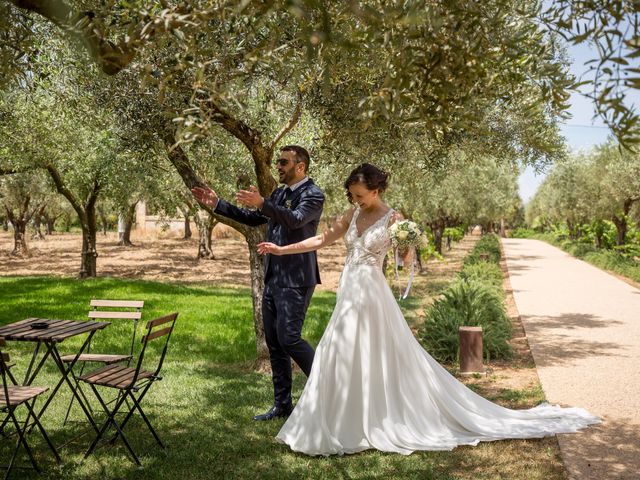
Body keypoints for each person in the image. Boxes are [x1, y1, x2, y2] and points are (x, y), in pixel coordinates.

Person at [257, 163, 599, 456]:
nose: (355, 201)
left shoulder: (394, 218)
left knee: (374, 350)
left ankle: (377, 418)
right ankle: (336, 418)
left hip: (372, 291)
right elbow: (321, 240)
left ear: (376, 191)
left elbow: (405, 259)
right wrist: (282, 249)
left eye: (360, 195)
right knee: (339, 349)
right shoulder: (352, 214)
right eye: (352, 196)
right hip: (349, 290)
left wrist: (406, 244)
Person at [191, 145, 325, 421]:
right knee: (275, 343)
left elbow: (296, 220)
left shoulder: (313, 195)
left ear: (300, 166)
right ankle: (282, 405)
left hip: (297, 278)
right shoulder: (278, 193)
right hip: (273, 276)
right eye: (278, 161)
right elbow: (254, 219)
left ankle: (326, 389)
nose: (278, 166)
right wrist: (218, 204)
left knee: (290, 338)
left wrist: (263, 203)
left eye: (284, 162)